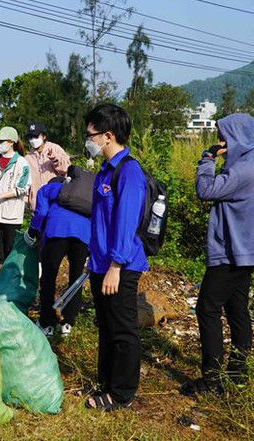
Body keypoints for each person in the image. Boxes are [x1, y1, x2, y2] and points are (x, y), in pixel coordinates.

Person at [180, 113, 254, 396]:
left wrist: (207, 158)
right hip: (246, 253)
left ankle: (212, 380)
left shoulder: (242, 172)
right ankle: (238, 373)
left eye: (224, 137)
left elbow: (205, 190)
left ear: (238, 138)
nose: (220, 142)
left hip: (231, 253)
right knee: (236, 310)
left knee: (207, 308)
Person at [83, 103, 148, 411]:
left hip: (119, 265)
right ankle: (106, 383)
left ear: (107, 136)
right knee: (106, 326)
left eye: (90, 135)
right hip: (101, 262)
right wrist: (94, 259)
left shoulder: (129, 171)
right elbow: (100, 221)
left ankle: (121, 394)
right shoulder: (105, 171)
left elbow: (126, 222)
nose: (88, 140)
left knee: (122, 329)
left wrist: (116, 265)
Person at [24, 165, 90, 337]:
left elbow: (42, 213)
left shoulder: (48, 188)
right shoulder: (84, 196)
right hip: (83, 235)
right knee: (76, 279)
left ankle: (47, 324)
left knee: (49, 277)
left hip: (57, 232)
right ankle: (68, 323)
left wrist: (32, 232)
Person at [0, 126, 31, 295]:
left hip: (12, 214)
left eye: (2, 141)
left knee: (10, 249)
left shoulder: (21, 163)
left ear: (11, 143)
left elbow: (22, 188)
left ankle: (9, 280)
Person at [24, 122, 70, 211]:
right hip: (37, 205)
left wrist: (54, 158)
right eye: (30, 137)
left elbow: (66, 169)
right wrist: (27, 201)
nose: (33, 140)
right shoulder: (27, 158)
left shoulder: (55, 149)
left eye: (36, 136)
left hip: (56, 201)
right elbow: (26, 182)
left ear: (44, 136)